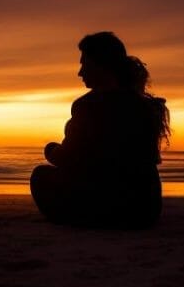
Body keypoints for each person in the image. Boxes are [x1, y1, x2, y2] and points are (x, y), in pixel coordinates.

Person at [30, 31, 170, 229]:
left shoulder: (88, 106)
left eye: (84, 64)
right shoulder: (144, 106)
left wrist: (50, 150)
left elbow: (70, 158)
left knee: (40, 176)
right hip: (146, 209)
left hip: (107, 208)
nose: (80, 72)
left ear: (101, 66)